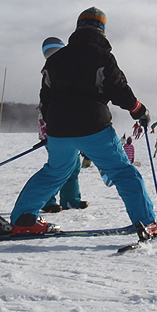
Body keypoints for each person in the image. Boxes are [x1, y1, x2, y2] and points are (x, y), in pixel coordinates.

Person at [7, 8, 157, 237]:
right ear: (102, 30)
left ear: (78, 28)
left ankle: (23, 219)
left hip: (59, 130)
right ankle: (147, 223)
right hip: (93, 126)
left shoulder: (55, 60)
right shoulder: (101, 57)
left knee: (55, 172)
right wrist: (139, 111)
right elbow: (119, 90)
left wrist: (52, 129)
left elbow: (45, 100)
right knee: (123, 173)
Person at [38, 36, 88, 214]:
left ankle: (70, 200)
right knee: (60, 168)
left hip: (66, 129)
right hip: (57, 130)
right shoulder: (52, 73)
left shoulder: (60, 71)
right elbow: (48, 106)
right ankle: (48, 201)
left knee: (73, 166)